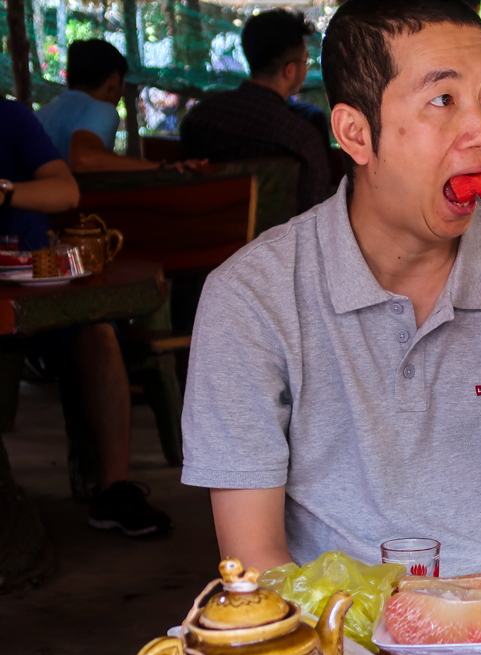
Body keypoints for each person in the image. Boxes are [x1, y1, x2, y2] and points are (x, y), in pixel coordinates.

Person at [180, 0, 481, 576]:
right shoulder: (253, 295)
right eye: (443, 100)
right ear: (356, 133)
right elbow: (256, 563)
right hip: (337, 630)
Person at [3, 99, 173, 537]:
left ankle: (114, 489)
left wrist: (4, 191)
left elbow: (66, 192)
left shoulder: (11, 118)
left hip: (35, 283)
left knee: (99, 329)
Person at [181, 9, 333, 212]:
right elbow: (315, 212)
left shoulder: (199, 117)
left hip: (205, 237)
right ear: (290, 70)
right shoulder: (301, 137)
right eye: (305, 61)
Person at [37, 39, 198, 173]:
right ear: (114, 81)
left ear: (68, 79)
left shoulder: (40, 114)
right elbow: (83, 160)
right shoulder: (101, 109)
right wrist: (163, 168)